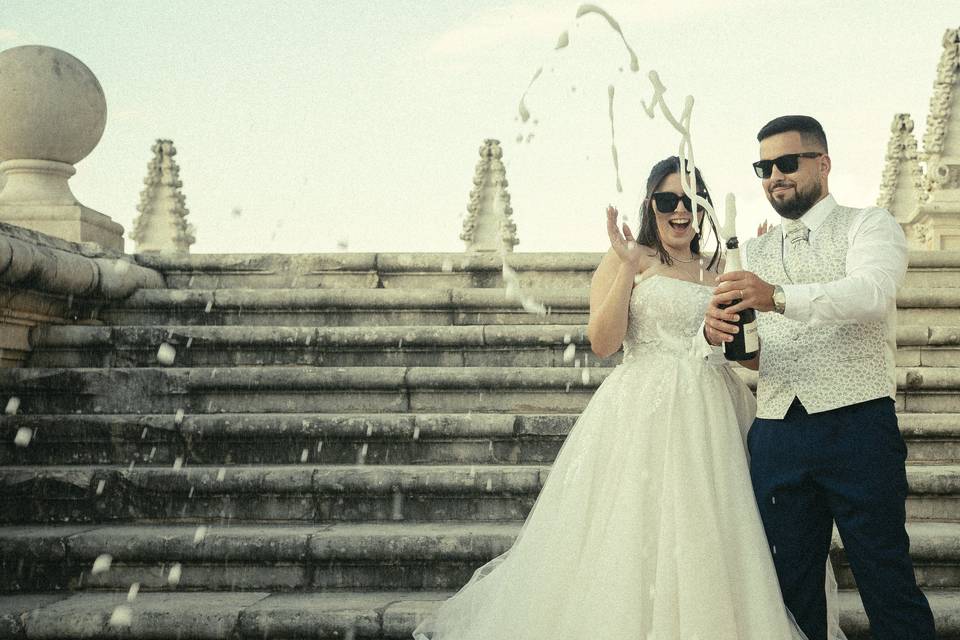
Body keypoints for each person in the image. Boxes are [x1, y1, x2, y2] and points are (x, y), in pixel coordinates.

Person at [413, 156, 836, 640]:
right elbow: (603, 342)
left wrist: (748, 282)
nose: (680, 211)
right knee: (632, 538)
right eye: (667, 200)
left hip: (714, 414)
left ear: (705, 210)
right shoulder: (628, 258)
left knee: (714, 538)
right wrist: (629, 264)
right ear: (650, 204)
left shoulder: (721, 267)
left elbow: (747, 356)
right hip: (642, 412)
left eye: (691, 201)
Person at [704, 115, 937, 640]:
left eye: (787, 163)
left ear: (823, 163)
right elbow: (755, 355)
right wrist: (720, 333)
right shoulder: (754, 252)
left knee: (885, 579)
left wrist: (777, 296)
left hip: (858, 427)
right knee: (788, 588)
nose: (774, 177)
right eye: (764, 167)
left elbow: (872, 294)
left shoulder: (868, 224)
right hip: (777, 433)